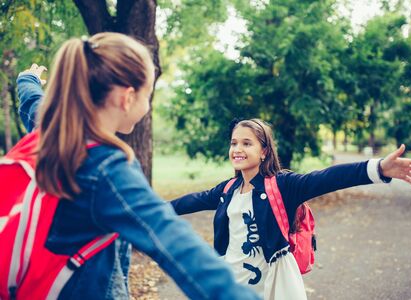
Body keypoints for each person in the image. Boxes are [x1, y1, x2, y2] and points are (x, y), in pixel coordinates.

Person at [14, 33, 261, 299]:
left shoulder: (54, 132)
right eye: (148, 94)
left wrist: (26, 79)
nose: (147, 104)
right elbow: (175, 244)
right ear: (128, 98)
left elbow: (32, 103)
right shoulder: (107, 168)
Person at [170, 118, 411, 299]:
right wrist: (145, 210)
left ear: (264, 151)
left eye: (247, 143)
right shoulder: (227, 191)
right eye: (234, 143)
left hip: (269, 289)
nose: (237, 149)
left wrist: (377, 169)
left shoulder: (282, 185)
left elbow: (327, 177)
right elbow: (190, 201)